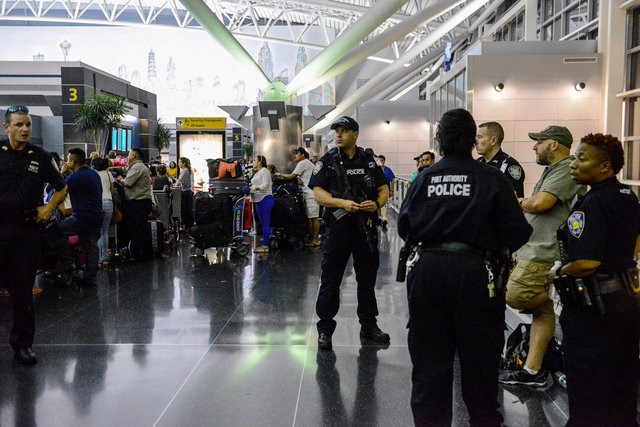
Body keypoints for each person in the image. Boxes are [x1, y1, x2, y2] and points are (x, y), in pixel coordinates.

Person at [398, 108, 532, 426]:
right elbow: (518, 232)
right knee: (480, 367)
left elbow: (405, 225)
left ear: (440, 140)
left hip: (428, 273)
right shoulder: (492, 177)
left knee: (429, 368)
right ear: (473, 141)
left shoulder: (425, 177)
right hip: (477, 275)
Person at [553, 133, 640, 426]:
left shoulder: (592, 204)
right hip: (626, 305)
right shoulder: (628, 196)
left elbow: (586, 263)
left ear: (603, 167)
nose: (573, 165)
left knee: (588, 387)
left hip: (593, 311)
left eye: (581, 158)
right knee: (621, 385)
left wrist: (557, 272)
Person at [499, 125, 586, 389]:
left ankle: (555, 301)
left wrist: (520, 201)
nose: (535, 147)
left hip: (544, 252)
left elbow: (540, 204)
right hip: (533, 248)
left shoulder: (567, 169)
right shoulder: (552, 170)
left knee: (515, 295)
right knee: (541, 311)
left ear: (554, 145)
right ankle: (533, 370)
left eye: (540, 142)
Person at [308, 115, 390, 350]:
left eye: (344, 131)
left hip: (365, 228)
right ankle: (325, 327)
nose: (339, 135)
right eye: (337, 131)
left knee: (367, 279)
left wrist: (377, 203)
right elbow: (318, 193)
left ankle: (368, 325)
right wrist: (341, 203)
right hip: (338, 228)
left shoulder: (369, 160)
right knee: (331, 280)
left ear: (355, 134)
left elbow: (383, 188)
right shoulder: (329, 160)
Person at [0, 106, 67, 365]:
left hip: (26, 231)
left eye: (28, 124)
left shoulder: (38, 156)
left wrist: (49, 208)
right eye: (19, 124)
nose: (25, 129)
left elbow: (61, 188)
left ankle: (23, 344)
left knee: (23, 291)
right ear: (7, 127)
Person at [59, 148, 104, 286]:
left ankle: (68, 265)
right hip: (96, 215)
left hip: (81, 216)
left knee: (56, 231)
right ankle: (90, 277)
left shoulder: (75, 177)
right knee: (91, 245)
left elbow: (60, 190)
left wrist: (61, 173)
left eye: (68, 159)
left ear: (72, 162)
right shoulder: (94, 174)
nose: (67, 162)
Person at [277, 147, 321, 247]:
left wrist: (279, 174)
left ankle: (315, 240)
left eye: (297, 154)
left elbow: (291, 176)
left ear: (302, 155)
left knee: (314, 218)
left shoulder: (303, 163)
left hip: (310, 194)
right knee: (310, 217)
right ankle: (312, 239)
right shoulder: (306, 163)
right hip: (309, 193)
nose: (295, 156)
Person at [114, 148, 152, 259]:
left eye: (129, 155)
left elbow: (128, 183)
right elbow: (125, 170)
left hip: (139, 203)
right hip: (140, 203)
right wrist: (114, 168)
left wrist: (120, 179)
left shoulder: (138, 167)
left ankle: (136, 254)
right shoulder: (136, 167)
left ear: (134, 156)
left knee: (137, 229)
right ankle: (143, 252)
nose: (127, 157)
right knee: (140, 227)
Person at [476, 121, 525, 198]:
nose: (475, 141)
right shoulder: (477, 162)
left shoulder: (510, 166)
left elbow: (513, 201)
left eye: (479, 137)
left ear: (493, 140)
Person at [91, 157, 114, 269]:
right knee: (105, 232)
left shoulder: (92, 174)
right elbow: (113, 191)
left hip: (97, 203)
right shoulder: (108, 174)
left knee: (98, 232)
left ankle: (98, 259)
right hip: (109, 203)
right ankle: (105, 258)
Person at [250, 155, 274, 253]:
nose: (253, 162)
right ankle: (266, 239)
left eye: (255, 160)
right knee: (263, 222)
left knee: (265, 223)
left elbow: (265, 185)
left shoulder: (265, 171)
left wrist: (256, 188)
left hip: (265, 199)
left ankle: (265, 246)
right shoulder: (257, 173)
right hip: (258, 199)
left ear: (260, 162)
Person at [377, 154, 395, 230]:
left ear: (384, 161)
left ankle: (384, 218)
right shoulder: (375, 170)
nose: (381, 162)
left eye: (382, 160)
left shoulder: (388, 170)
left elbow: (392, 180)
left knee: (385, 204)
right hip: (376, 191)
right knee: (378, 205)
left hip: (386, 190)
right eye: (379, 160)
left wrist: (391, 190)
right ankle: (379, 218)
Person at [177, 157, 194, 230]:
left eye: (180, 162)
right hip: (188, 192)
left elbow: (179, 181)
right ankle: (188, 226)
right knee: (188, 209)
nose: (178, 164)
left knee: (185, 210)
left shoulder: (185, 171)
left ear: (184, 163)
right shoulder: (187, 170)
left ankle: (186, 226)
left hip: (185, 192)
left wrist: (174, 185)